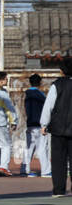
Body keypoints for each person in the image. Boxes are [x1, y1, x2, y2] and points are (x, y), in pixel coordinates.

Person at [41, 61, 72, 197]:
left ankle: (59, 190)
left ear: (62, 71)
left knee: (58, 160)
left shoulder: (57, 85)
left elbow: (49, 106)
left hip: (58, 128)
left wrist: (44, 124)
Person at [22, 73, 50, 177]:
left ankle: (24, 169)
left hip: (30, 123)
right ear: (40, 82)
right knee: (42, 147)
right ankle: (45, 171)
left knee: (29, 148)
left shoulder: (27, 94)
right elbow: (47, 110)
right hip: (40, 124)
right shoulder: (41, 95)